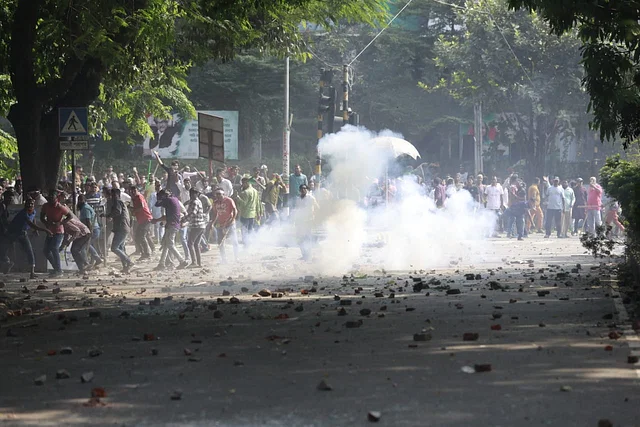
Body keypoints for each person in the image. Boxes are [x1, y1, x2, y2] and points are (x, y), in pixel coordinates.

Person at [2, 198, 52, 278]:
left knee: (29, 251)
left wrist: (36, 230)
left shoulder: (33, 211)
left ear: (33, 205)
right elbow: (31, 224)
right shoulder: (23, 213)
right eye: (27, 204)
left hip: (22, 233)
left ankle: (32, 272)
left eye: (31, 204)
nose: (29, 205)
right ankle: (8, 263)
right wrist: (45, 230)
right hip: (13, 233)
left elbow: (33, 219)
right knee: (6, 250)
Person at [152, 189, 189, 270]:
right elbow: (166, 216)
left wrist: (159, 198)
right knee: (166, 244)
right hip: (173, 224)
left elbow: (157, 204)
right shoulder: (175, 199)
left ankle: (182, 261)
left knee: (170, 244)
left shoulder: (168, 200)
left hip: (172, 225)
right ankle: (161, 264)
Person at [40, 189, 71, 277]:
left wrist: (60, 223)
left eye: (52, 198)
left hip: (58, 231)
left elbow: (70, 216)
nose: (50, 200)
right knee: (46, 251)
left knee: (54, 248)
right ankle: (57, 268)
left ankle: (58, 270)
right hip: (50, 230)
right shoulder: (45, 206)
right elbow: (42, 217)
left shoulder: (60, 207)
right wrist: (46, 223)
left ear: (56, 198)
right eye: (49, 198)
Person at [106, 188, 134, 272]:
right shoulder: (120, 202)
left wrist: (108, 215)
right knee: (121, 248)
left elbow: (117, 212)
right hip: (122, 227)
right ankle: (125, 267)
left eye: (113, 195)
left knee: (114, 248)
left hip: (122, 228)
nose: (112, 196)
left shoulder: (118, 202)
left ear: (117, 195)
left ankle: (129, 262)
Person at [211, 188, 239, 264]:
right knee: (220, 242)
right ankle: (224, 259)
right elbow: (216, 214)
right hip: (221, 225)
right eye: (217, 194)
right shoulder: (215, 203)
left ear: (223, 194)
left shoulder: (229, 200)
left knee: (234, 241)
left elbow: (235, 211)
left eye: (220, 194)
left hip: (230, 224)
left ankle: (236, 258)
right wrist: (213, 223)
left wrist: (232, 219)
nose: (218, 196)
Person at [182, 188, 207, 268]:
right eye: (190, 193)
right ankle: (198, 263)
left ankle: (194, 262)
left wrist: (183, 219)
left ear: (196, 194)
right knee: (196, 244)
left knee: (190, 243)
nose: (191, 195)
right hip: (201, 226)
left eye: (192, 193)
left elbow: (192, 213)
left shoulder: (194, 202)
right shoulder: (198, 201)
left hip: (196, 226)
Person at [129, 185, 154, 261]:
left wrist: (134, 210)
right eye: (131, 191)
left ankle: (147, 254)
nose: (133, 192)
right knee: (137, 237)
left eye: (134, 190)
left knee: (142, 236)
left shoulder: (139, 196)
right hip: (141, 219)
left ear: (137, 190)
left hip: (146, 218)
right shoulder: (133, 199)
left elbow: (141, 207)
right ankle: (143, 253)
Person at [77, 195, 102, 268]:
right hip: (93, 229)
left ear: (85, 200)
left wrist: (89, 232)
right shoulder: (84, 208)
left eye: (81, 200)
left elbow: (88, 221)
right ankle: (97, 259)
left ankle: (86, 264)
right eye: (79, 200)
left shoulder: (85, 208)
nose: (79, 202)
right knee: (88, 245)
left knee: (83, 248)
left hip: (93, 230)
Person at [295, 184, 319, 261]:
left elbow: (317, 207)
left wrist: (314, 216)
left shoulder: (311, 198)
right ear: (299, 190)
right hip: (301, 221)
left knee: (307, 238)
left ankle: (309, 255)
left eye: (304, 188)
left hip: (309, 221)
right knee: (301, 239)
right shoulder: (298, 199)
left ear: (307, 189)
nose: (303, 190)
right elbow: (297, 210)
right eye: (301, 189)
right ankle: (304, 255)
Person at [236, 176, 262, 245]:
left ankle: (245, 242)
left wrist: (238, 198)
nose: (242, 185)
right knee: (250, 229)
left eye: (243, 183)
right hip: (252, 214)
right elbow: (257, 203)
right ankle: (249, 241)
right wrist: (258, 213)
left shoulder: (245, 192)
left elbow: (243, 204)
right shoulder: (255, 191)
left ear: (246, 183)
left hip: (245, 214)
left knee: (244, 229)